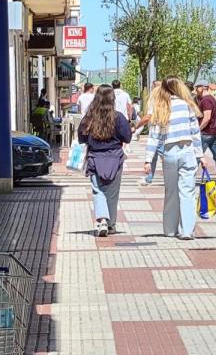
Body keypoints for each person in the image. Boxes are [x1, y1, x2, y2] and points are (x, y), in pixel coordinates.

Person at [143, 77, 205, 241]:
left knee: (171, 192)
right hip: (187, 151)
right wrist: (201, 155)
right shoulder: (188, 105)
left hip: (169, 152)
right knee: (187, 191)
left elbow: (154, 136)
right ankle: (187, 230)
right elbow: (195, 133)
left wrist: (148, 160)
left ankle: (170, 229)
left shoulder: (161, 107)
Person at [78, 85, 132, 237]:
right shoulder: (118, 117)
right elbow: (127, 137)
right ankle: (111, 224)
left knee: (98, 190)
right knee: (112, 193)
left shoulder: (89, 118)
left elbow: (81, 138)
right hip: (115, 157)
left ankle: (102, 220)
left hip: (95, 157)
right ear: (112, 99)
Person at [194, 80, 216, 184]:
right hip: (213, 132)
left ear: (203, 87)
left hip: (206, 133)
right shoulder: (211, 98)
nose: (195, 89)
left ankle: (189, 177)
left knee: (197, 155)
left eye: (197, 87)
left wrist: (198, 129)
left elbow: (207, 117)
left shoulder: (206, 100)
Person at [134, 80, 163, 185]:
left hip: (157, 131)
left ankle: (173, 177)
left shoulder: (154, 99)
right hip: (162, 131)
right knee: (154, 156)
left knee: (163, 157)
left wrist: (136, 126)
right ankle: (149, 178)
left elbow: (148, 116)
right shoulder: (166, 99)